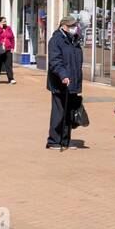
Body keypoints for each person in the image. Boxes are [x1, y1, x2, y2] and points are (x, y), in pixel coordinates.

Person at [46, 15, 82, 150]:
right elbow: (55, 61)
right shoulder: (56, 40)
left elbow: (76, 61)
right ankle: (54, 140)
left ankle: (65, 140)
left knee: (69, 112)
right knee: (59, 112)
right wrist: (63, 75)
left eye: (75, 26)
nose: (75, 28)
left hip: (72, 82)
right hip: (60, 83)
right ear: (64, 27)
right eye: (72, 26)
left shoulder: (74, 40)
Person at [0, 16, 16, 84]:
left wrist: (12, 47)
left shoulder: (8, 28)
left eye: (5, 21)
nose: (4, 23)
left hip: (8, 48)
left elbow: (12, 38)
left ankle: (11, 79)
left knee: (8, 64)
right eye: (3, 21)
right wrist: (0, 28)